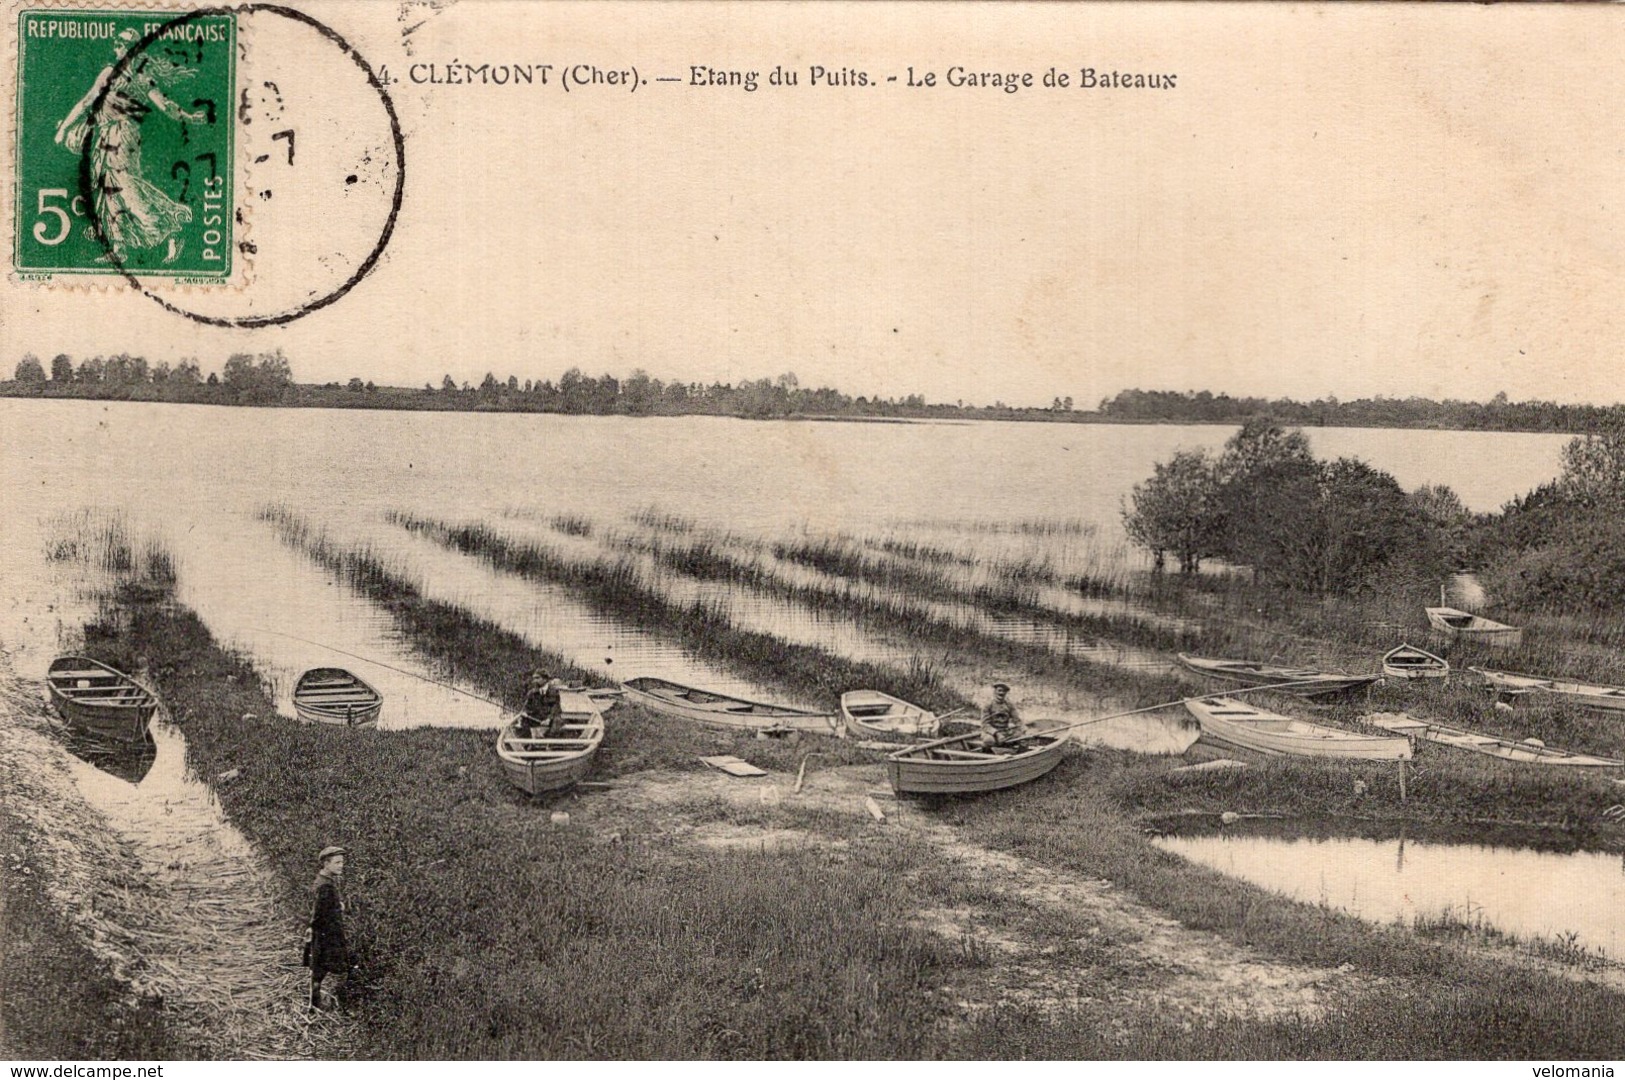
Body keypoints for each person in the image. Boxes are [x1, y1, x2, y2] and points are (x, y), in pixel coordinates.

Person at [53, 29, 210, 262]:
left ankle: (171, 230)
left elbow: (165, 106)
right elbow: (88, 101)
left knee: (126, 188)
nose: (118, 46)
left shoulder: (134, 75)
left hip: (122, 136)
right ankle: (119, 246)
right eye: (117, 42)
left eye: (123, 43)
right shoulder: (121, 73)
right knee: (109, 188)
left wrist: (189, 116)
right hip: (108, 135)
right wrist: (64, 128)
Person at [307, 845, 351, 1010]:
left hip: (322, 932)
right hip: (329, 934)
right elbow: (320, 913)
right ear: (326, 863)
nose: (341, 866)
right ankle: (335, 1004)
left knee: (319, 969)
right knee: (339, 969)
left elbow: (318, 908)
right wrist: (338, 909)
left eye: (342, 862)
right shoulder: (326, 886)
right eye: (337, 862)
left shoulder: (323, 881)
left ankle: (315, 1003)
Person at [974, 682, 1025, 750]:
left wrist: (1023, 728)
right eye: (999, 690)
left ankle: (1018, 755)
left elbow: (1017, 720)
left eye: (1004, 691)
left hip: (1005, 731)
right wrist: (997, 734)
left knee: (1023, 738)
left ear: (1006, 693)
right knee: (989, 740)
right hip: (990, 733)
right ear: (995, 692)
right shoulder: (988, 705)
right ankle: (988, 754)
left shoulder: (1009, 705)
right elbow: (985, 725)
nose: (1001, 693)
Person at [521, 671, 568, 737]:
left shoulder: (554, 692)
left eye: (537, 678)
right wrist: (525, 712)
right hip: (538, 717)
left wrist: (549, 719)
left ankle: (549, 742)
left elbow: (556, 708)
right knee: (524, 721)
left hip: (551, 718)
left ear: (545, 679)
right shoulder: (532, 693)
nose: (535, 681)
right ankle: (528, 743)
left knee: (557, 722)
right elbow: (527, 706)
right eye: (534, 678)